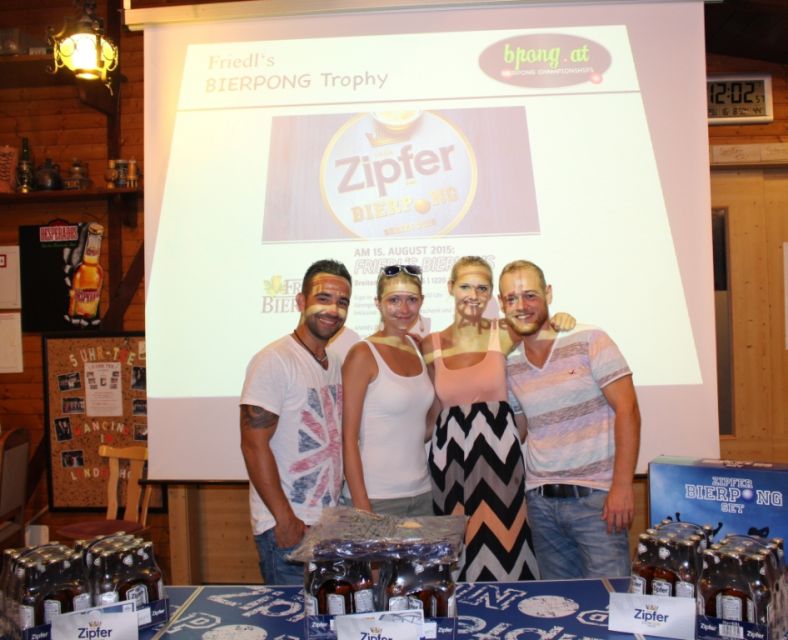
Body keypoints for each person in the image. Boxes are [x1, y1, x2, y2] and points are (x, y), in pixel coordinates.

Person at [499, 259, 641, 579]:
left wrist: (622, 487)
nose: (521, 306)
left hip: (597, 503)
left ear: (548, 293)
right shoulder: (510, 363)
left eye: (530, 295)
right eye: (511, 298)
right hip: (541, 506)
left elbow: (628, 410)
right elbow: (520, 430)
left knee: (611, 601)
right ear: (501, 303)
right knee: (558, 602)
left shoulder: (589, 339)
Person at [422, 256, 549, 582]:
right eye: (465, 286)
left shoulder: (505, 332)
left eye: (482, 288)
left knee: (506, 551)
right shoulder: (429, 344)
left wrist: (562, 320)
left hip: (500, 464)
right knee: (455, 559)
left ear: (491, 294)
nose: (473, 295)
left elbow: (543, 325)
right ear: (450, 287)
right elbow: (433, 411)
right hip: (449, 465)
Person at [239, 259, 352, 585]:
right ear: (301, 301)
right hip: (289, 530)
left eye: (342, 302)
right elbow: (252, 445)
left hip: (326, 527)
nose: (333, 310)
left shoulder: (334, 362)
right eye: (323, 298)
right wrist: (284, 518)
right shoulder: (274, 360)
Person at [341, 264, 435, 517]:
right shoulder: (362, 354)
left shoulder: (418, 349)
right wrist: (363, 508)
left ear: (421, 301)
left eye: (411, 300)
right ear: (378, 303)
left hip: (423, 494)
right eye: (394, 300)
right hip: (376, 498)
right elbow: (347, 439)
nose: (404, 309)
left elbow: (421, 428)